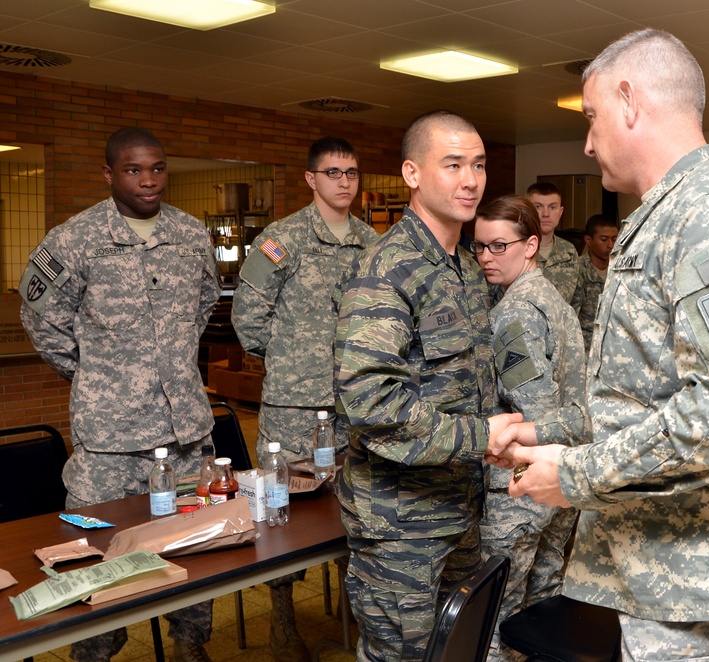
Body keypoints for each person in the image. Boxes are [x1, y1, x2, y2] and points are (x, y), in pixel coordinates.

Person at [488, 29, 709, 662]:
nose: (588, 142)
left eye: (592, 118)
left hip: (702, 578)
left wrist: (578, 473)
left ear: (629, 101)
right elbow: (645, 391)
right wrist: (549, 435)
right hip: (672, 568)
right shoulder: (673, 214)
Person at [19, 127, 219, 662]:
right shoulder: (73, 240)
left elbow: (202, 308)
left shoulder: (192, 234)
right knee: (96, 558)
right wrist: (96, 378)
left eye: (156, 168)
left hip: (185, 434)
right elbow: (41, 321)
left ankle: (189, 647)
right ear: (109, 174)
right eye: (133, 170)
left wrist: (170, 366)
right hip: (109, 441)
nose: (148, 180)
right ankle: (96, 652)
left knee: (193, 544)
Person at [333, 110, 522, 662]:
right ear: (412, 174)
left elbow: (467, 381)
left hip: (458, 508)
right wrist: (480, 437)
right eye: (454, 165)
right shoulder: (387, 268)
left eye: (480, 166)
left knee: (455, 653)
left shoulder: (463, 267)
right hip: (400, 525)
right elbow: (370, 402)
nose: (471, 180)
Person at [231, 136, 379, 659]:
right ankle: (283, 620)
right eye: (333, 172)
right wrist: (297, 361)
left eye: (352, 172)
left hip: (357, 407)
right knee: (280, 514)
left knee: (357, 509)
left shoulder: (371, 242)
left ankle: (352, 610)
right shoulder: (282, 240)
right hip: (294, 409)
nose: (344, 182)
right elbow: (247, 320)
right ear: (311, 179)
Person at [473, 195, 591, 662]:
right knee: (542, 609)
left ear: (531, 245)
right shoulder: (551, 298)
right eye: (479, 246)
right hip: (561, 475)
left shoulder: (514, 314)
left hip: (519, 485)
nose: (486, 257)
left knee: (498, 621)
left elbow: (535, 410)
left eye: (499, 246)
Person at [526, 182, 580, 306]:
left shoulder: (569, 252)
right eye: (538, 207)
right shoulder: (515, 249)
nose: (545, 214)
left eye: (552, 207)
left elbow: (576, 301)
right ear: (527, 210)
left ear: (560, 212)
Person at [573, 213, 619, 352]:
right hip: (586, 347)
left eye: (614, 239)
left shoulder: (619, 269)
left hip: (615, 345)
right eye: (604, 239)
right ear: (588, 240)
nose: (610, 245)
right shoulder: (577, 269)